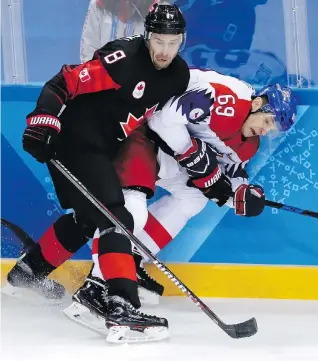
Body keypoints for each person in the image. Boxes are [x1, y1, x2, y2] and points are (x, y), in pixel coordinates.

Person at [4, 3, 190, 344]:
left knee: (89, 219)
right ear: (148, 36)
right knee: (115, 217)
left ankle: (28, 274)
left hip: (101, 147)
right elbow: (65, 80)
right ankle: (119, 304)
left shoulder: (179, 75)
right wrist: (43, 119)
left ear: (182, 42)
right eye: (159, 40)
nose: (164, 50)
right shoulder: (125, 58)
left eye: (172, 42)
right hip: (74, 140)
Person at [63, 68, 297, 334]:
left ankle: (130, 262)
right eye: (267, 121)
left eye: (273, 129)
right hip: (138, 136)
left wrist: (240, 195)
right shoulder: (225, 96)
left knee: (194, 198)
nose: (266, 131)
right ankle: (95, 288)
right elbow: (161, 121)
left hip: (165, 155)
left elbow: (223, 174)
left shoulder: (250, 144)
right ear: (258, 103)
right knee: (133, 214)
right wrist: (191, 153)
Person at [80, 0, 158, 63]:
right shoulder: (98, 4)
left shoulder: (157, 11)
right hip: (102, 76)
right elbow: (88, 49)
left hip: (138, 79)